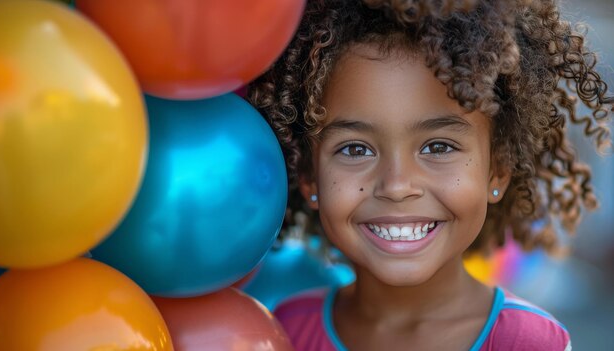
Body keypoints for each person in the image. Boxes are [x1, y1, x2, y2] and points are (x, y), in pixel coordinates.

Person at [247, 0, 612, 350]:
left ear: (497, 170)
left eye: (438, 147)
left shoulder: (530, 343)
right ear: (310, 175)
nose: (397, 185)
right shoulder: (284, 330)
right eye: (355, 149)